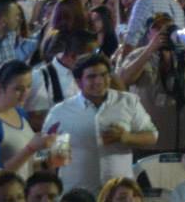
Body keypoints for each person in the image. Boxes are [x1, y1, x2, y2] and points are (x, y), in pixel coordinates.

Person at [43, 53, 159, 194]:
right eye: (91, 77)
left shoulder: (128, 102)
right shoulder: (62, 112)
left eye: (104, 75)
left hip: (118, 194)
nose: (99, 81)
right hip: (78, 194)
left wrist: (126, 138)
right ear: (78, 81)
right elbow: (56, 159)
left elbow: (152, 136)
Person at [0, 61, 56, 178]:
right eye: (18, 89)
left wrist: (47, 152)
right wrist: (30, 148)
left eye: (28, 87)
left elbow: (29, 162)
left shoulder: (19, 112)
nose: (25, 94)